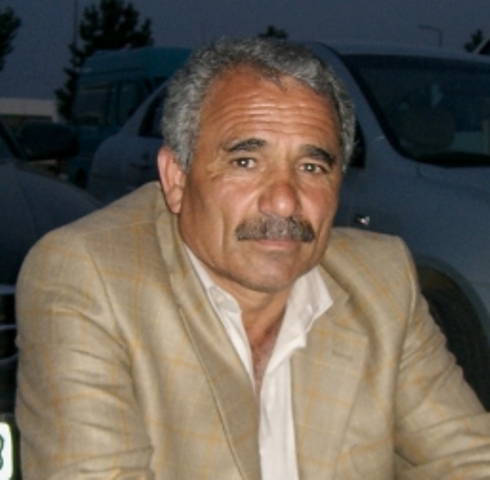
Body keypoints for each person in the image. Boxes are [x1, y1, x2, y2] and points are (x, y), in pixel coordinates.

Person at [15, 37, 490, 479]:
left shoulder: (380, 282)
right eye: (245, 162)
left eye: (311, 166)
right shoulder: (89, 278)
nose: (283, 200)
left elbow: (467, 459)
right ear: (176, 178)